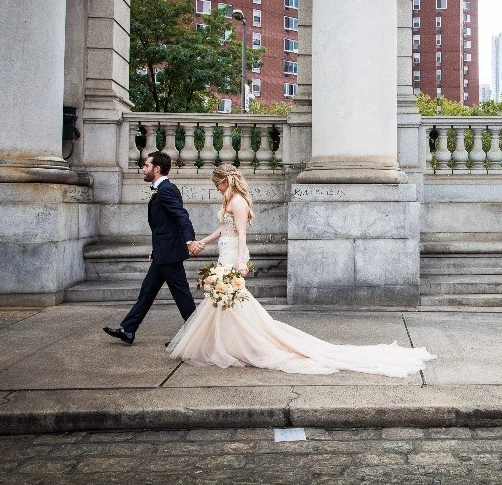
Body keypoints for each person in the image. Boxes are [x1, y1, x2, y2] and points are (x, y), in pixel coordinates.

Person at [168, 165, 435, 377]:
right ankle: (226, 343)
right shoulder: (230, 201)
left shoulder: (237, 202)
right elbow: (224, 230)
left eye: (218, 184)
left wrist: (240, 260)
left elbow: (240, 233)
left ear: (226, 181)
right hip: (224, 250)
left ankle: (241, 344)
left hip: (232, 254)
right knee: (225, 301)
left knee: (231, 300)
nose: (217, 189)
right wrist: (204, 241)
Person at [103, 151, 199, 345]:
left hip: (170, 256)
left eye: (146, 166)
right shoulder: (161, 189)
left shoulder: (166, 190)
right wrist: (156, 250)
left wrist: (190, 240)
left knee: (183, 298)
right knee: (147, 292)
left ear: (157, 169)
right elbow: (165, 226)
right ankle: (128, 330)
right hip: (163, 254)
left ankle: (199, 336)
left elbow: (182, 215)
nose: (143, 169)